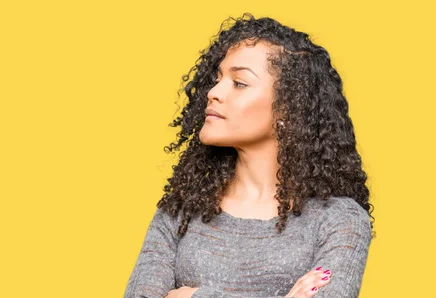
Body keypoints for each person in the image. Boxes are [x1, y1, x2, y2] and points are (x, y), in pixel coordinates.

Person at [123, 13, 376, 298]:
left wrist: (189, 296)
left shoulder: (339, 220)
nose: (214, 92)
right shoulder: (180, 211)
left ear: (288, 110)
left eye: (239, 83)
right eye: (217, 79)